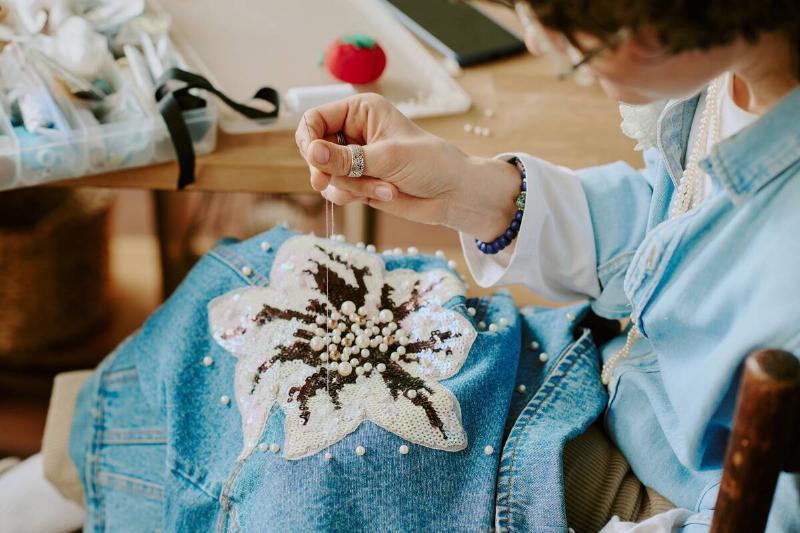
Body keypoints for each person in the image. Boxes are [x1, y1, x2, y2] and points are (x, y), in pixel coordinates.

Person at [294, 0, 800, 531]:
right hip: (594, 384)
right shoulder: (738, 71)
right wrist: (471, 189)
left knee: (319, 483)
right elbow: (674, 221)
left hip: (672, 499)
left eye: (563, 30)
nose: (537, 42)